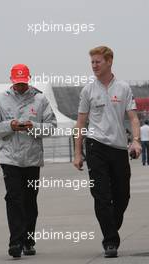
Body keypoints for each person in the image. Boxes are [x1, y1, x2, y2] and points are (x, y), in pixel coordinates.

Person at [74, 46, 141, 258]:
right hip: (95, 147)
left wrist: (136, 141)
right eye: (92, 62)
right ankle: (110, 241)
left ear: (109, 61)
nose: (94, 66)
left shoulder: (123, 88)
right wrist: (78, 153)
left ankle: (111, 226)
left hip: (119, 148)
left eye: (98, 62)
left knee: (122, 195)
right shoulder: (88, 90)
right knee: (101, 196)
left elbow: (133, 118)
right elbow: (81, 123)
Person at [0, 64, 57, 258]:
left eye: (23, 83)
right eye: (17, 83)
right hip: (10, 158)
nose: (20, 86)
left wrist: (32, 126)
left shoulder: (40, 99)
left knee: (29, 201)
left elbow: (51, 127)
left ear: (29, 79)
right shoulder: (0, 100)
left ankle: (29, 240)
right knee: (14, 198)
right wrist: (10, 125)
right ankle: (15, 242)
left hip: (33, 159)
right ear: (11, 80)